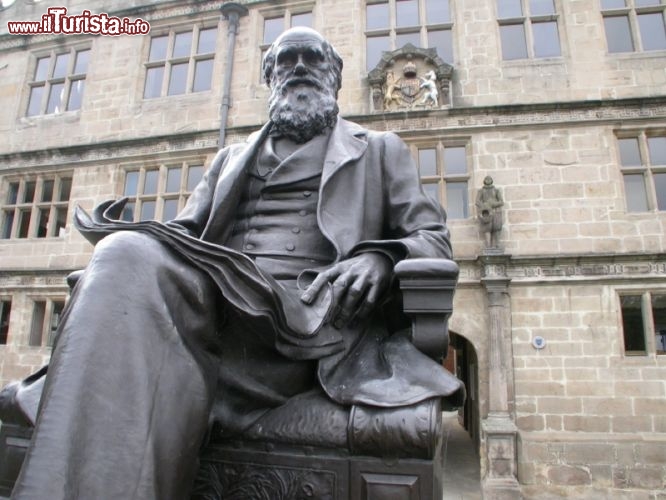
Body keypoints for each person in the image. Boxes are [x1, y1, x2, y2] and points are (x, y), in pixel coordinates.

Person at [10, 27, 463, 499]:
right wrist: (126, 237)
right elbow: (186, 234)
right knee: (123, 251)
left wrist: (380, 257)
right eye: (286, 61)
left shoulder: (379, 149)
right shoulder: (229, 157)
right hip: (218, 310)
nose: (300, 68)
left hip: (304, 327)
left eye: (313, 58)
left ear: (335, 77)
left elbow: (432, 237)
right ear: (270, 78)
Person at [475, 175, 504, 248]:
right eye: (486, 179)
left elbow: (501, 202)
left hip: (496, 211)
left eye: (489, 179)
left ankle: (497, 244)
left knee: (497, 227)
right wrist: (484, 205)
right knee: (487, 228)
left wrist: (493, 204)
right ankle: (488, 245)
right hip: (486, 212)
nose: (488, 180)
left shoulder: (496, 190)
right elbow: (477, 201)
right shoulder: (481, 191)